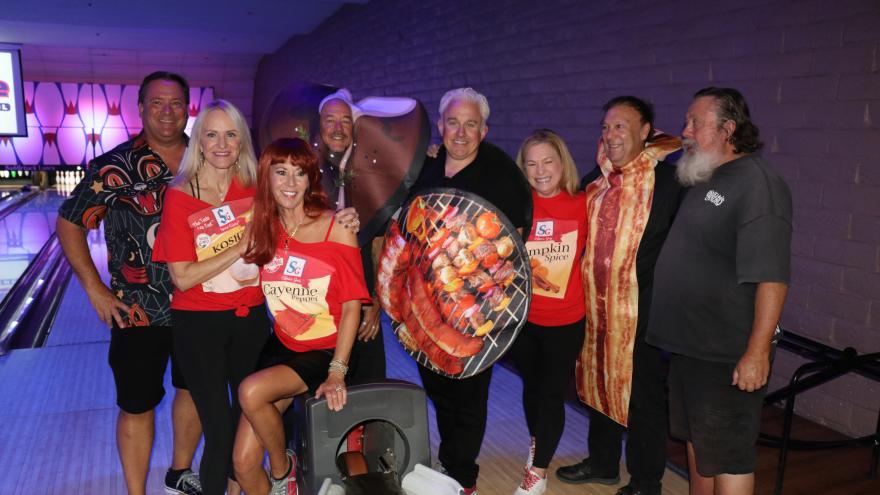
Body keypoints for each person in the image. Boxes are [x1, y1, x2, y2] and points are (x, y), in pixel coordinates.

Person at [56, 71, 203, 495]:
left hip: (202, 303)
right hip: (137, 309)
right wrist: (94, 287)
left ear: (187, 108)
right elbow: (69, 223)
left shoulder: (209, 156)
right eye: (157, 102)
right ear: (140, 109)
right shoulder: (113, 166)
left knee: (193, 390)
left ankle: (179, 472)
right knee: (136, 404)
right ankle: (136, 491)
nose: (167, 111)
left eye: (176, 102)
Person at [647, 87, 791, 495]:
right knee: (698, 445)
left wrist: (757, 352)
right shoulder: (702, 175)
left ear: (727, 129)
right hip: (690, 346)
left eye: (695, 122)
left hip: (726, 351)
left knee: (728, 456)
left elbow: (773, 276)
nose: (684, 130)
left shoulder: (758, 184)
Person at [556, 96, 683, 495]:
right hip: (594, 307)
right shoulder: (598, 177)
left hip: (641, 312)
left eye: (621, 127)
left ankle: (647, 481)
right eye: (607, 126)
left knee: (642, 396)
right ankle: (604, 462)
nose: (610, 135)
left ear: (646, 132)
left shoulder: (668, 181)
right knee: (598, 382)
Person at [231, 137, 369, 495]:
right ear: (267, 177)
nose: (290, 183)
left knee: (249, 391)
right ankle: (280, 480)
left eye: (299, 173)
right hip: (282, 347)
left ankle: (284, 470)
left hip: (325, 351)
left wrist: (337, 371)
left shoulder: (336, 228)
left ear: (310, 180)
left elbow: (353, 303)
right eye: (280, 172)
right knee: (243, 465)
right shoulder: (262, 228)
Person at [410, 87, 531, 495]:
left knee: (470, 390)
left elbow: (517, 238)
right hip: (426, 302)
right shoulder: (425, 166)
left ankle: (463, 477)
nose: (461, 133)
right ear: (440, 126)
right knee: (438, 386)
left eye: (471, 124)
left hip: (478, 307)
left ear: (485, 129)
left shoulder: (501, 172)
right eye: (453, 123)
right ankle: (451, 455)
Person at [152, 99, 268, 495]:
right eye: (212, 134)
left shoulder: (255, 187)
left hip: (250, 320)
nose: (221, 144)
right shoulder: (181, 196)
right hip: (198, 324)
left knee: (242, 422)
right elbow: (182, 277)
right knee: (218, 428)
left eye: (231, 135)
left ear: (241, 141)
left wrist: (339, 219)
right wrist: (238, 247)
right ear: (198, 141)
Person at [509, 129, 587, 495]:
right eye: (531, 163)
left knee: (552, 395)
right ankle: (538, 444)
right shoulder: (517, 207)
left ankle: (537, 473)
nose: (540, 171)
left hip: (566, 321)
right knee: (532, 389)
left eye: (548, 161)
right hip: (523, 321)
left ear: (562, 164)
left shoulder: (584, 205)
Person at [316, 89, 385, 386]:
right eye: (330, 120)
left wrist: (377, 300)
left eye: (345, 121)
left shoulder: (371, 173)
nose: (338, 128)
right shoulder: (302, 173)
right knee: (317, 386)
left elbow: (379, 244)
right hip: (316, 299)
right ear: (318, 126)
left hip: (363, 292)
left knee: (369, 387)